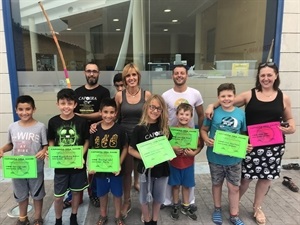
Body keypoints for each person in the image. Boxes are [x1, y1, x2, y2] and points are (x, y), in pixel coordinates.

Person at [205, 63, 296, 225]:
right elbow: (226, 102)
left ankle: (257, 207)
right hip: (248, 144)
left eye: (269, 75)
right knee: (244, 179)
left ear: (276, 76)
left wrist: (292, 127)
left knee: (265, 178)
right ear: (258, 77)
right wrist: (211, 105)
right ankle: (233, 206)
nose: (266, 78)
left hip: (273, 145)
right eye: (263, 75)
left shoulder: (284, 98)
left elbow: (289, 119)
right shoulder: (249, 95)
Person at [201, 83, 252, 225]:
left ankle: (234, 214)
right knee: (216, 184)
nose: (226, 99)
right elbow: (204, 129)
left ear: (234, 96)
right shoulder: (213, 113)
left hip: (234, 159)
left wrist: (246, 145)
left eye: (229, 95)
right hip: (215, 157)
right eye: (223, 96)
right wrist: (206, 139)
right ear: (218, 97)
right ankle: (217, 209)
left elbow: (243, 133)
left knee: (234, 187)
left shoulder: (241, 114)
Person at [161, 64, 204, 211]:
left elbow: (201, 114)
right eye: (176, 73)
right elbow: (163, 117)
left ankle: (189, 202)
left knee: (187, 171)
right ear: (172, 75)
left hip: (189, 139)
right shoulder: (166, 95)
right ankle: (170, 201)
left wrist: (201, 135)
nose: (179, 75)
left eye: (182, 73)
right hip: (172, 138)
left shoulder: (195, 94)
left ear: (187, 75)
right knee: (171, 172)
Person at [0, 95, 47, 225]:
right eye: (21, 109)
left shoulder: (41, 127)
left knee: (37, 194)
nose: (24, 112)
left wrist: (43, 151)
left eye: (28, 109)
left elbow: (45, 145)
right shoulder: (12, 127)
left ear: (34, 109)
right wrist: (2, 149)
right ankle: (23, 217)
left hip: (35, 168)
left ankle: (38, 218)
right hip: (17, 168)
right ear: (16, 110)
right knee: (21, 194)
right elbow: (10, 144)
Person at [70, 62, 110, 208]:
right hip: (79, 135)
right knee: (77, 165)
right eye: (89, 71)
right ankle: (75, 195)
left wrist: (80, 115)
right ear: (84, 73)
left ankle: (94, 194)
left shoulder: (104, 92)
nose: (91, 74)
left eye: (94, 71)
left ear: (98, 73)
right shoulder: (77, 92)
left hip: (96, 133)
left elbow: (103, 113)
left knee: (94, 166)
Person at [47, 88, 90, 225]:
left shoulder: (82, 122)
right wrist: (52, 152)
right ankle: (58, 220)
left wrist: (81, 156)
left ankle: (73, 216)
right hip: (61, 166)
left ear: (75, 105)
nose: (66, 106)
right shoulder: (53, 122)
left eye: (69, 103)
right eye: (63, 103)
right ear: (57, 104)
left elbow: (87, 141)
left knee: (76, 193)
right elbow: (51, 140)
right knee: (58, 197)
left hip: (77, 165)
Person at [115, 63, 152, 218]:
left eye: (134, 75)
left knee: (144, 173)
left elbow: (151, 117)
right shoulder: (119, 95)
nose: (131, 78)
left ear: (138, 76)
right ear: (124, 79)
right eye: (128, 75)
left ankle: (144, 205)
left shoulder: (146, 95)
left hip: (142, 139)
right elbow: (115, 117)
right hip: (125, 139)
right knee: (126, 173)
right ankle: (127, 201)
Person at [128, 94, 172, 225]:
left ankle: (155, 220)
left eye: (159, 109)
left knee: (159, 197)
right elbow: (131, 150)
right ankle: (147, 221)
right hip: (145, 169)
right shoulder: (139, 128)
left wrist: (170, 153)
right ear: (146, 107)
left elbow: (167, 145)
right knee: (144, 198)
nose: (155, 111)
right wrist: (146, 158)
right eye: (152, 107)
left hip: (162, 169)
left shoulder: (163, 127)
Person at [89, 98, 128, 225]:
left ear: (116, 113)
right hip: (100, 170)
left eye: (112, 112)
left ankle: (118, 216)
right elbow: (92, 149)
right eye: (105, 112)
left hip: (115, 169)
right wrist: (91, 165)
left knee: (117, 194)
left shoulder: (120, 130)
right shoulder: (95, 130)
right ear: (100, 112)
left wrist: (119, 164)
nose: (108, 115)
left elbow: (125, 148)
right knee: (102, 194)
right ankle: (103, 215)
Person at [169, 103, 201, 221]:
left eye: (187, 114)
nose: (184, 117)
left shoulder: (193, 132)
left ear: (191, 116)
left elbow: (199, 146)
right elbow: (166, 146)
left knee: (186, 186)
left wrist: (194, 153)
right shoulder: (171, 132)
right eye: (181, 114)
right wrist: (172, 149)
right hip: (175, 163)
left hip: (188, 163)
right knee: (176, 185)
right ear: (176, 115)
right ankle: (176, 205)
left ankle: (186, 206)